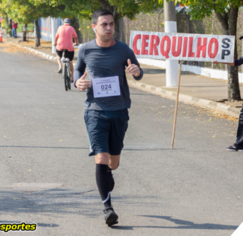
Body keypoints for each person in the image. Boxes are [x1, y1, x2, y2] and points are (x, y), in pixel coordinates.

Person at [74, 9, 143, 226]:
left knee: (113, 162)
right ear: (94, 26)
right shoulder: (85, 49)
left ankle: (108, 174)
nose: (109, 28)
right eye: (104, 24)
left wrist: (136, 71)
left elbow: (139, 72)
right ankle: (108, 208)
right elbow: (78, 72)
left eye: (111, 24)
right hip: (95, 111)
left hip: (119, 110)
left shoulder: (123, 49)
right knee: (101, 158)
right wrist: (78, 83)